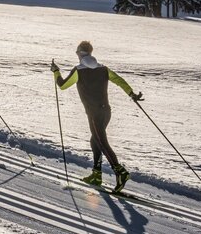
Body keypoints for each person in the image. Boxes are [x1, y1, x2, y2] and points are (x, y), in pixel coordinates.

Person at [51, 40, 143, 193]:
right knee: (95, 140)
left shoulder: (79, 70)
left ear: (80, 53)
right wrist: (131, 93)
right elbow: (119, 81)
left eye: (77, 52)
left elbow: (62, 85)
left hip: (94, 114)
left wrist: (55, 71)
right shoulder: (103, 69)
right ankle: (96, 175)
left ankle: (120, 172)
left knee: (101, 142)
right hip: (106, 112)